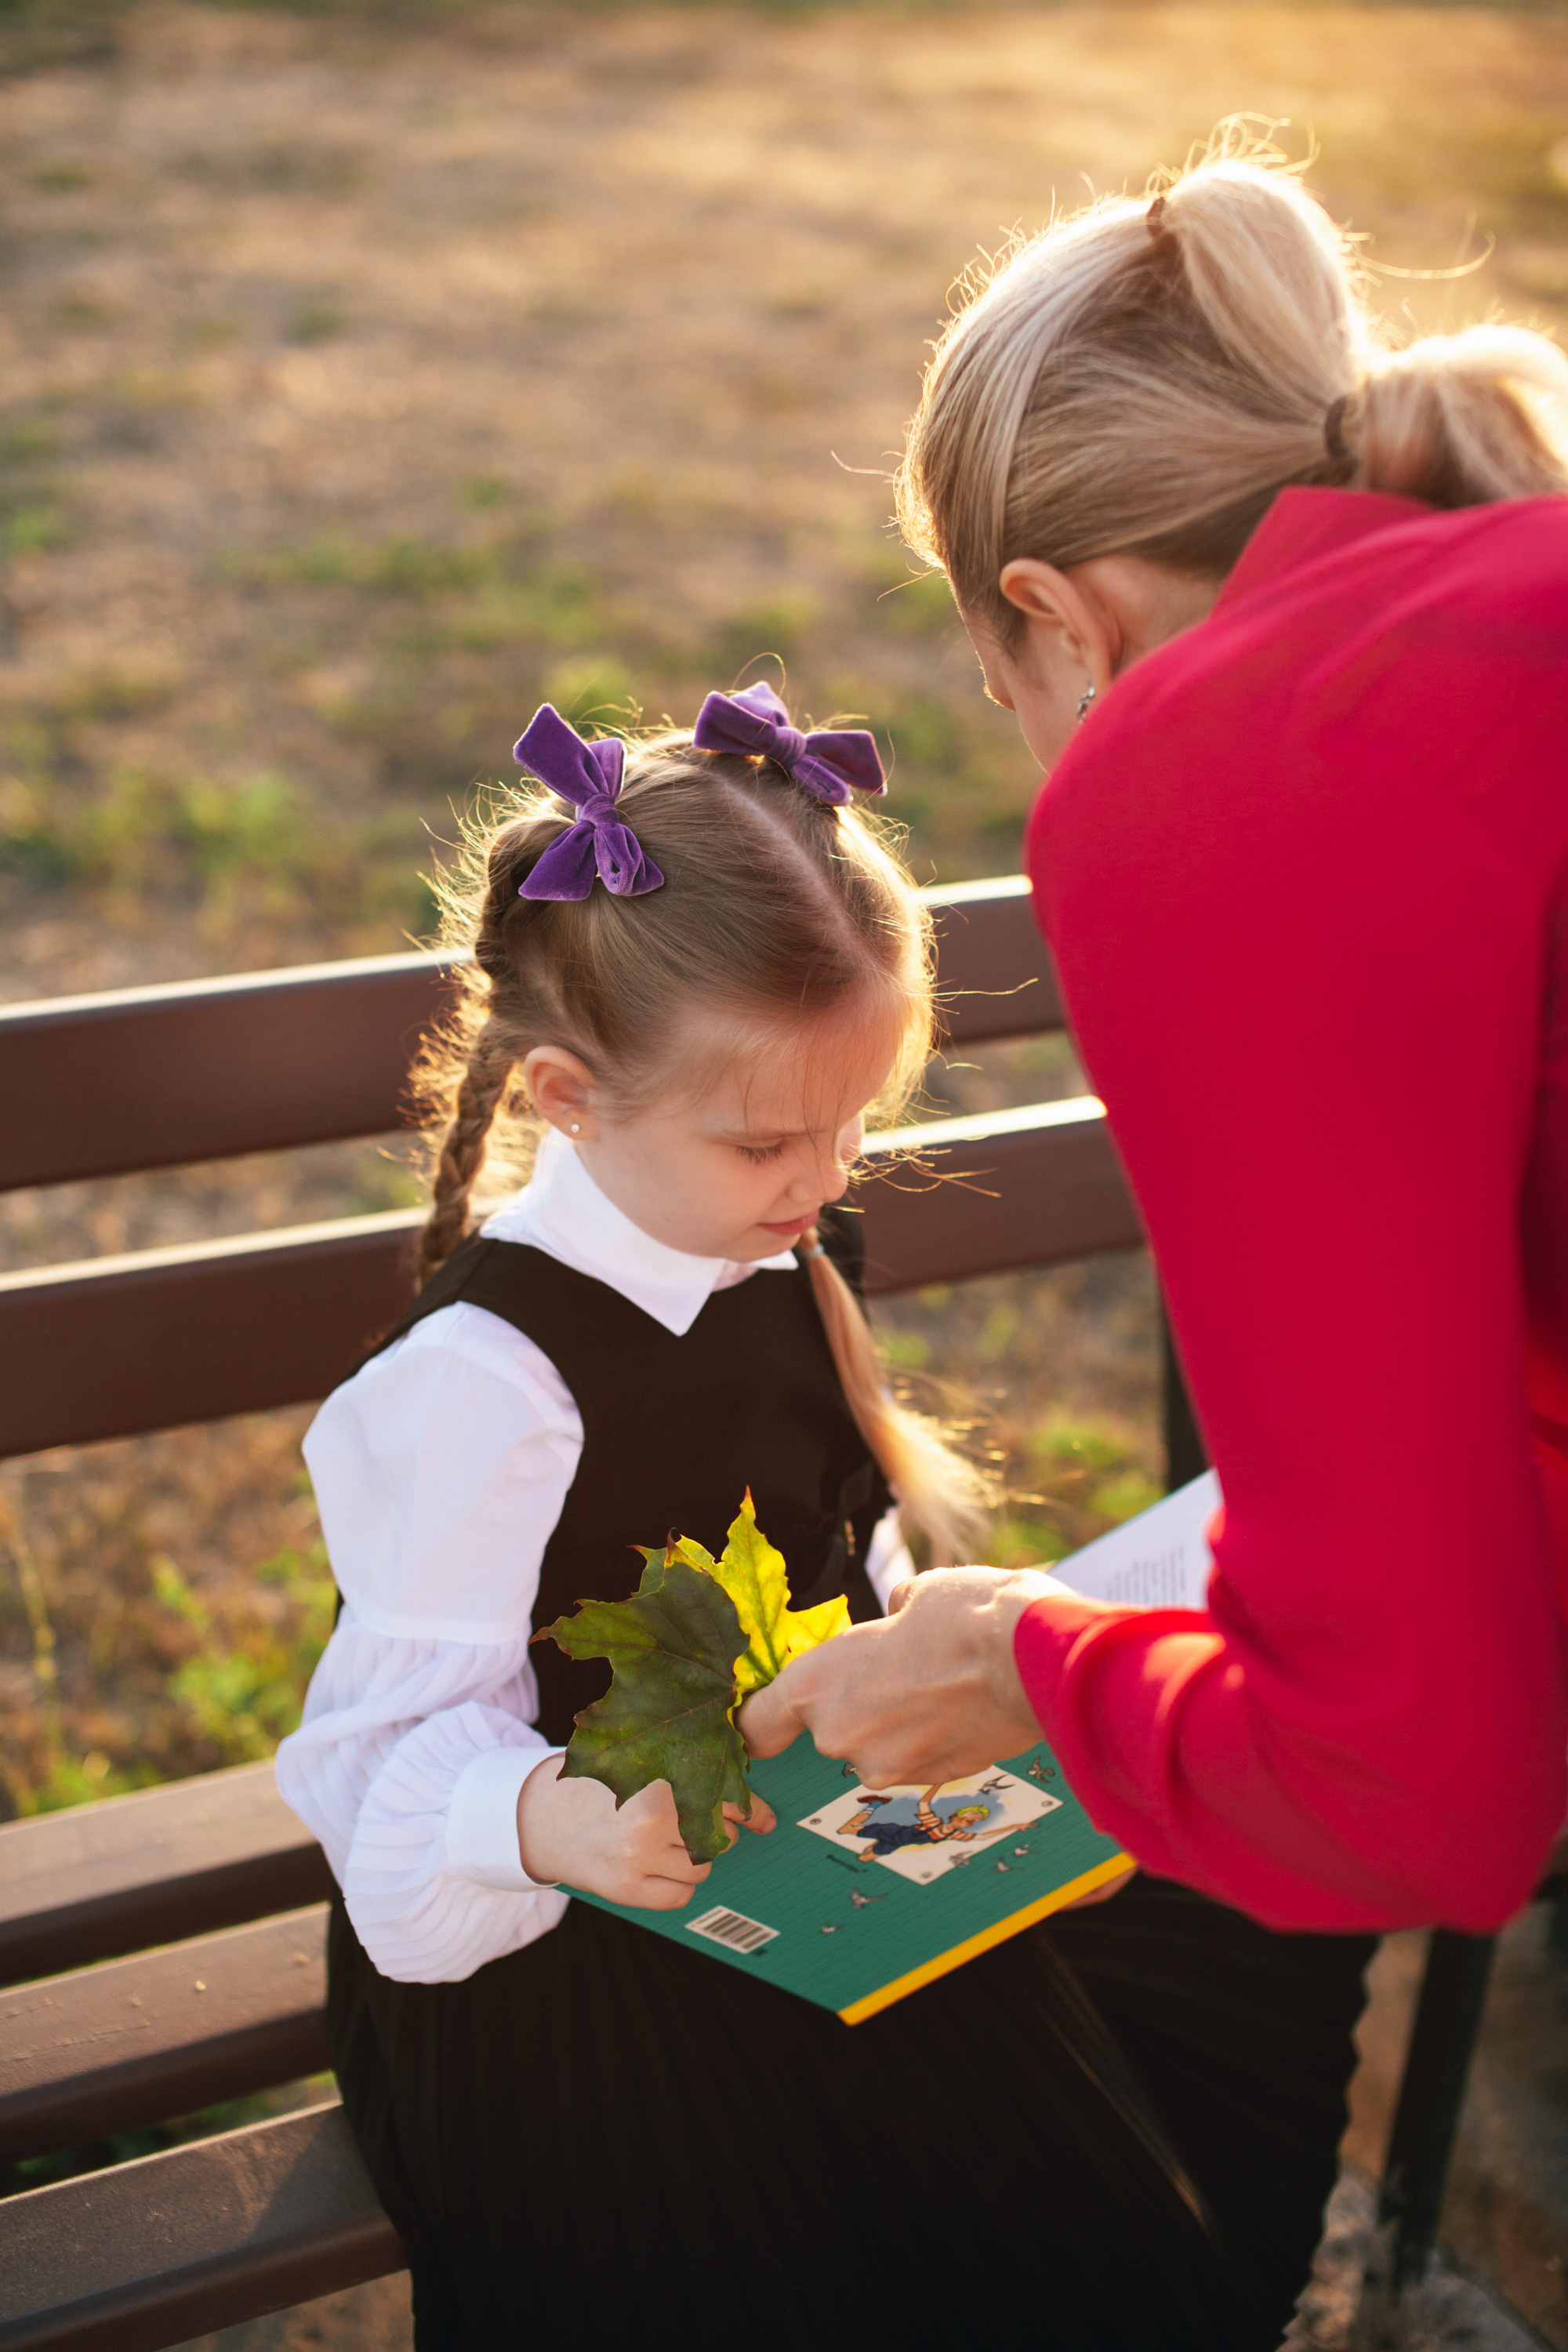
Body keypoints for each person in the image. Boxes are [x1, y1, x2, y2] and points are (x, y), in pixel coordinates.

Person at [274, 685, 1312, 2352]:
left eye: (851, 1128)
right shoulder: (481, 1388)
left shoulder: (769, 1242)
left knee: (1129, 2129)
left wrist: (1002, 1739)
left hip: (815, 1847)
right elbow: (370, 1762)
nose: (822, 1179)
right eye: (772, 1136)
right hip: (574, 1940)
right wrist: (550, 1823)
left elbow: (848, 1544)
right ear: (566, 1094)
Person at [741, 129, 1568, 1950]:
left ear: (1061, 618)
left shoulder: (1231, 757)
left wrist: (1034, 1663)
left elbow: (1414, 1799)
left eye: (1004, 699)